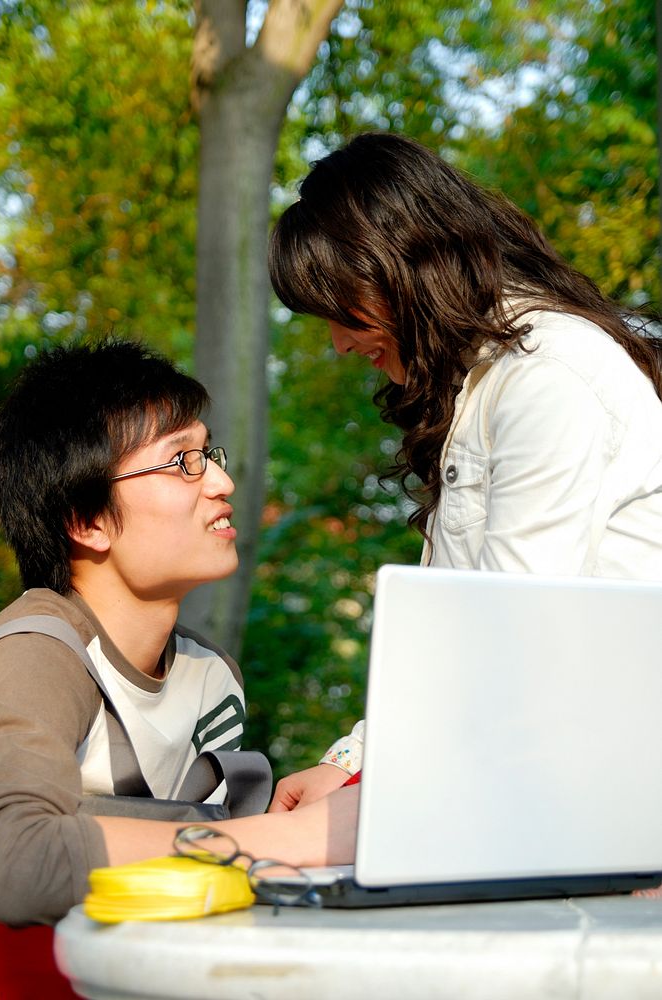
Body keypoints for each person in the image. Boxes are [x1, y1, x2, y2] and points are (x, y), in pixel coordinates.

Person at [266, 130, 662, 812]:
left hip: (597, 799)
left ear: (401, 265)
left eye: (341, 311)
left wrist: (368, 795)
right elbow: (465, 641)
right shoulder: (485, 386)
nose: (336, 342)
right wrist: (354, 761)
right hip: (536, 780)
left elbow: (510, 644)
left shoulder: (548, 379)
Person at [0, 339, 357, 927]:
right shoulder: (35, 655)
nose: (220, 482)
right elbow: (15, 862)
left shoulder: (209, 673)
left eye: (208, 453)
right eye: (182, 461)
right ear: (86, 520)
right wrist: (291, 837)